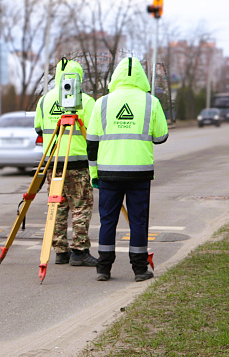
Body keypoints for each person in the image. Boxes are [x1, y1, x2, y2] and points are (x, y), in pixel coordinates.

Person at [86, 57, 169, 282]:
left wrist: (94, 175)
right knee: (139, 221)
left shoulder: (101, 103)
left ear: (115, 77)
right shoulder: (151, 102)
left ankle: (103, 268)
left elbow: (91, 143)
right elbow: (161, 137)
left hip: (108, 173)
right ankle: (140, 269)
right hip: (139, 173)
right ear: (141, 77)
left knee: (108, 221)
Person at [35, 58, 98, 267]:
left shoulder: (44, 100)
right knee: (80, 207)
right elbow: (96, 133)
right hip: (78, 164)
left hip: (53, 163)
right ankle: (79, 251)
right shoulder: (87, 102)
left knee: (58, 207)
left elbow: (38, 129)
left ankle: (60, 251)